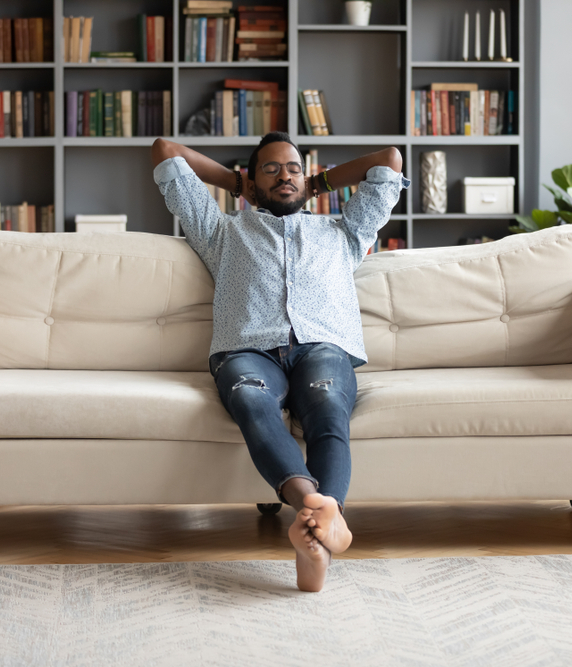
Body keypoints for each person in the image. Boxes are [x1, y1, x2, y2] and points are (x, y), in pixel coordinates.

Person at [151, 132, 409, 592]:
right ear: (253, 183)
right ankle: (317, 508)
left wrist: (320, 181)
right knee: (249, 398)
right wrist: (237, 183)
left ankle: (314, 540)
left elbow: (388, 160)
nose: (284, 175)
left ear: (306, 178)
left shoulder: (345, 233)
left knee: (328, 406)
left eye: (293, 168)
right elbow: (166, 152)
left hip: (323, 348)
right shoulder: (222, 231)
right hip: (247, 351)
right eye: (270, 169)